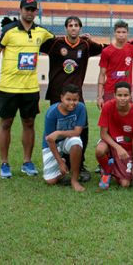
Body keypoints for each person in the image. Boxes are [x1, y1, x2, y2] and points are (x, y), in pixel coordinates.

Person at [0, 0, 54, 178]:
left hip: (30, 89)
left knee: (29, 124)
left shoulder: (41, 32)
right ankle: (4, 163)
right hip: (9, 88)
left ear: (36, 11)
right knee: (6, 124)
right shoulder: (8, 30)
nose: (30, 12)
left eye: (33, 9)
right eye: (27, 9)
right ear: (20, 10)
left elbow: (59, 43)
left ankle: (27, 162)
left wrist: (80, 38)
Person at [39, 16, 104, 182]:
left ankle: (78, 165)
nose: (73, 28)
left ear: (80, 28)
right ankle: (59, 163)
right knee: (57, 130)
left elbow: (107, 49)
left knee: (82, 130)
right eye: (70, 25)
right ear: (66, 28)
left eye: (76, 25)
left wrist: (130, 43)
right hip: (57, 95)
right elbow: (33, 42)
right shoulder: (55, 44)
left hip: (76, 96)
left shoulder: (86, 44)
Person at [95, 81, 133, 190]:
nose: (122, 98)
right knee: (100, 150)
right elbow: (103, 134)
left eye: (126, 95)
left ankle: (114, 165)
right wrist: (118, 147)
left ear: (130, 96)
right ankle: (107, 172)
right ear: (114, 95)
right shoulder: (107, 107)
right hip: (110, 142)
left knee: (125, 184)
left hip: (126, 148)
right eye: (119, 95)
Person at [41, 84, 86, 192]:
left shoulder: (81, 108)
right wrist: (60, 162)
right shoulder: (52, 112)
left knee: (76, 143)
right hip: (52, 144)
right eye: (68, 99)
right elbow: (50, 139)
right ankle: (62, 163)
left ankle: (74, 180)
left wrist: (59, 132)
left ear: (78, 99)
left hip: (68, 139)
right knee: (50, 181)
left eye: (75, 100)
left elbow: (77, 132)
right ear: (62, 98)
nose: (72, 103)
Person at [97, 20, 133, 108]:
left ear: (127, 33)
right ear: (114, 33)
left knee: (128, 120)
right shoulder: (107, 51)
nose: (121, 34)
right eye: (118, 32)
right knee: (110, 120)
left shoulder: (132, 48)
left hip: (126, 93)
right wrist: (100, 97)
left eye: (123, 32)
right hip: (110, 92)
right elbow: (102, 74)